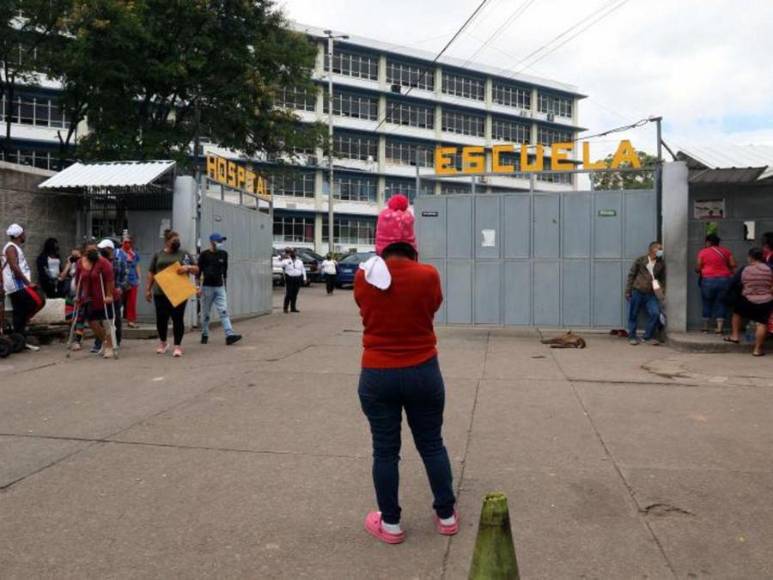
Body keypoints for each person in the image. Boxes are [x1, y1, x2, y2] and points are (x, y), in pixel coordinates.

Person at [354, 194, 457, 545]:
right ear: (412, 240)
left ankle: (392, 524)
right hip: (423, 370)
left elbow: (364, 310)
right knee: (432, 444)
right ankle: (446, 514)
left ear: (380, 241)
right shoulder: (428, 275)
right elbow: (433, 307)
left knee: (385, 450)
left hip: (377, 372)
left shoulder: (363, 275)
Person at [146, 229, 199, 357]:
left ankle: (177, 346)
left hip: (178, 292)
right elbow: (151, 272)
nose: (177, 242)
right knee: (161, 319)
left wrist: (187, 267)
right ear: (167, 241)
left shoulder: (184, 254)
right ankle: (163, 343)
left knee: (177, 318)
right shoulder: (158, 255)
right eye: (174, 240)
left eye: (178, 240)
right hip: (160, 292)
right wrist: (148, 289)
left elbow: (196, 269)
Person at [725, 248, 773, 357]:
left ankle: (735, 336)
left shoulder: (746, 269)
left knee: (737, 313)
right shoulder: (769, 269)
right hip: (766, 300)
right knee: (762, 323)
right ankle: (757, 350)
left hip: (748, 299)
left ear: (750, 257)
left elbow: (737, 282)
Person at [2, 224, 43, 350]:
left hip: (18, 284)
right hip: (17, 285)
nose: (25, 235)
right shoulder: (11, 248)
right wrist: (27, 283)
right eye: (23, 233)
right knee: (38, 301)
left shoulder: (15, 247)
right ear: (19, 235)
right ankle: (22, 327)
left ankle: (19, 336)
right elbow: (14, 267)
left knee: (19, 311)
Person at [197, 232, 242, 346]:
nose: (221, 243)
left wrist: (225, 286)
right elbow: (198, 272)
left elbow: (225, 271)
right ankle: (205, 333)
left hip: (220, 286)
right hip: (207, 287)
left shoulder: (224, 254)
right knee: (206, 313)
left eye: (222, 241)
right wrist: (198, 287)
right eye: (219, 241)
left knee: (224, 311)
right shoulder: (204, 255)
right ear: (212, 242)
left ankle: (229, 335)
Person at [80, 239, 118, 359]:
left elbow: (109, 280)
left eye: (94, 250)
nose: (92, 252)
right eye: (89, 250)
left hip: (105, 297)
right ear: (84, 251)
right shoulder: (81, 262)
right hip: (90, 298)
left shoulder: (103, 262)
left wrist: (109, 295)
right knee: (92, 322)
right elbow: (79, 279)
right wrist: (78, 295)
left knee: (107, 323)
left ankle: (109, 347)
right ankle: (106, 342)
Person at [625, 241, 666, 345]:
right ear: (652, 249)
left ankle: (647, 336)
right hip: (637, 291)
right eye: (659, 248)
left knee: (655, 313)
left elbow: (662, 279)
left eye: (661, 249)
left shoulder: (661, 264)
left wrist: (662, 292)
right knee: (633, 314)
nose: (661, 251)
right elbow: (631, 275)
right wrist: (628, 290)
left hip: (651, 294)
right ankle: (632, 337)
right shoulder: (641, 260)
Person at [695, 234, 736, 334]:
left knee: (706, 302)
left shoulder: (703, 252)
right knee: (722, 303)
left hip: (708, 280)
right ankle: (719, 329)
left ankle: (705, 328)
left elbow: (698, 267)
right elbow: (733, 264)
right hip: (724, 280)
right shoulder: (726, 251)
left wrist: (699, 270)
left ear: (708, 242)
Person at [90, 239, 126, 352]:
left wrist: (120, 287)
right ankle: (99, 342)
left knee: (114, 318)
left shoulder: (119, 260)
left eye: (103, 249)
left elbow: (124, 275)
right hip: (101, 293)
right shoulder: (98, 261)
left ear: (110, 249)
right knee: (101, 318)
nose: (101, 250)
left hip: (114, 293)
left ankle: (116, 341)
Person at [62, 246, 86, 351]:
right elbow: (62, 276)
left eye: (77, 256)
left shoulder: (85, 264)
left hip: (81, 294)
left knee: (79, 318)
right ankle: (73, 336)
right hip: (70, 294)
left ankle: (77, 340)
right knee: (69, 318)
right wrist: (68, 264)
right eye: (73, 256)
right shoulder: (71, 264)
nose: (74, 258)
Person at [121, 234, 141, 328]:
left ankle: (131, 320)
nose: (128, 244)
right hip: (120, 280)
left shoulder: (134, 254)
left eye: (129, 242)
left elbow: (137, 265)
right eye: (126, 242)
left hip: (132, 280)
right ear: (122, 242)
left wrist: (139, 277)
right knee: (119, 301)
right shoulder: (118, 253)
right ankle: (116, 319)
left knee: (131, 301)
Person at [281, 248, 306, 313]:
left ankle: (293, 308)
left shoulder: (299, 261)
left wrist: (304, 278)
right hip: (289, 278)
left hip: (297, 278)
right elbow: (282, 265)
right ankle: (285, 308)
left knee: (295, 294)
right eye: (292, 252)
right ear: (290, 253)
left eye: (294, 252)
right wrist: (286, 259)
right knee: (289, 293)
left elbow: (303, 270)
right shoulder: (286, 260)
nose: (293, 254)